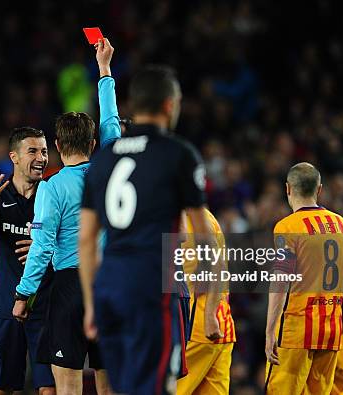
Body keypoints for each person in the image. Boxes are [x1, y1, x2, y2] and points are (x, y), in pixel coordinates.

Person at [79, 65, 221, 395]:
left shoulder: (102, 160)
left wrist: (90, 304)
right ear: (170, 105)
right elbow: (205, 238)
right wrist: (211, 305)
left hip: (110, 290)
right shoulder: (178, 154)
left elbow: (86, 239)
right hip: (152, 290)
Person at [12, 38, 120, 395]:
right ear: (94, 145)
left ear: (58, 146)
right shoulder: (111, 168)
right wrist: (104, 70)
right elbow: (111, 122)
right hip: (110, 284)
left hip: (70, 287)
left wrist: (24, 294)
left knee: (68, 386)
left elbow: (41, 245)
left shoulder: (52, 187)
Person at [0, 127, 55, 394]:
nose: (41, 158)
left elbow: (73, 243)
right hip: (5, 306)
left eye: (44, 151)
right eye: (32, 151)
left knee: (50, 389)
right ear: (14, 157)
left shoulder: (53, 194)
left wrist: (43, 244)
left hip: (45, 307)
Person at [265, 162, 343, 394]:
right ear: (320, 189)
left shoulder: (287, 227)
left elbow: (280, 281)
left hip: (297, 329)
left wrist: (270, 331)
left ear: (288, 189)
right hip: (331, 330)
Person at [176, 209, 236, 395]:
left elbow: (216, 266)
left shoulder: (189, 219)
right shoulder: (206, 216)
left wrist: (209, 315)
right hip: (221, 324)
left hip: (197, 325)